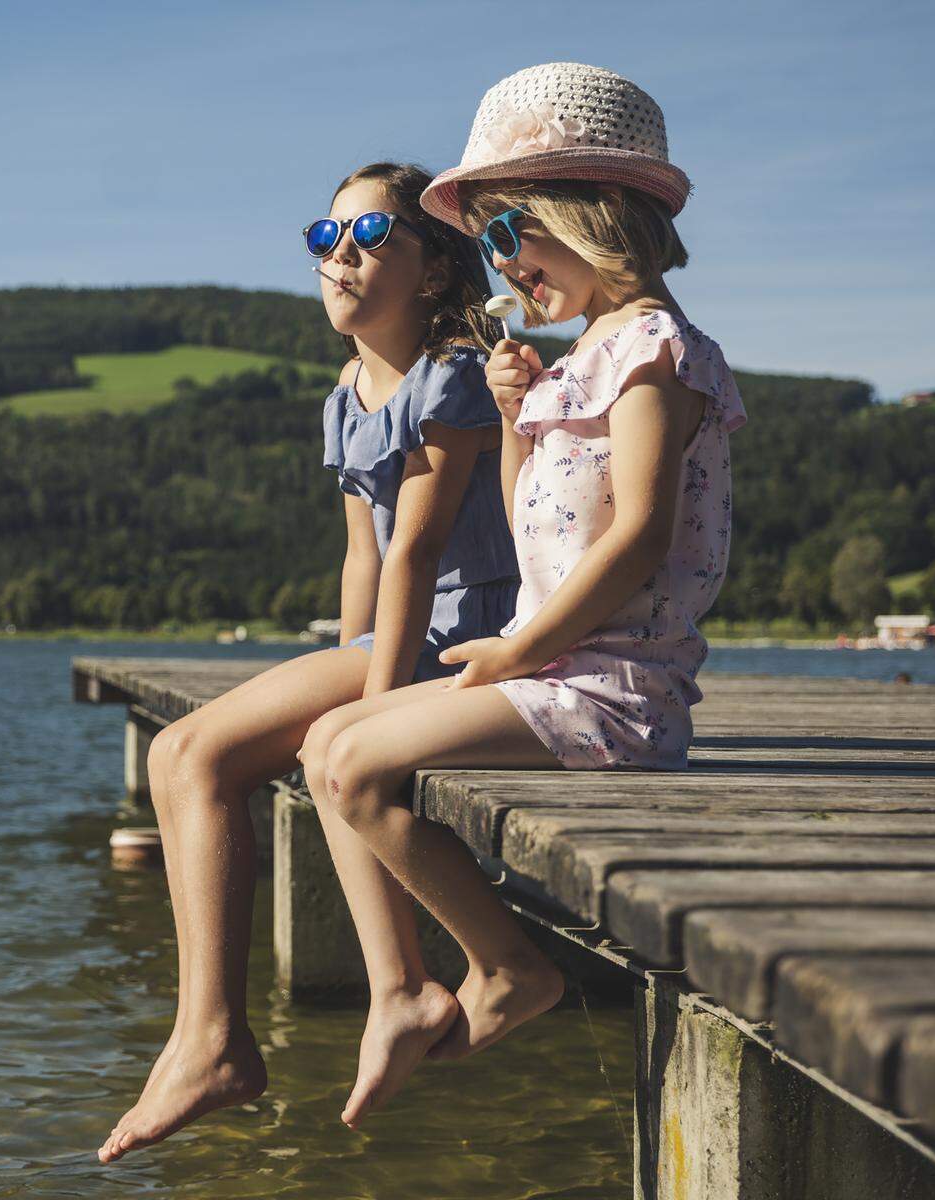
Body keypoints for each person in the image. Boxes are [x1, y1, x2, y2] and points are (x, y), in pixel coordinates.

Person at [297, 62, 748, 1131]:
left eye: (511, 236)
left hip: (617, 687)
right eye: (489, 241)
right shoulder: (585, 355)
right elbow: (541, 522)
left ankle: (504, 967)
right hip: (560, 666)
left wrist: (514, 646)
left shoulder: (654, 350)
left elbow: (634, 536)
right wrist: (514, 419)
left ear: (588, 219)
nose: (498, 266)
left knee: (354, 755)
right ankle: (435, 981)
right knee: (333, 741)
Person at [97, 161, 515, 1164]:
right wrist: (347, 666)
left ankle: (223, 1041)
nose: (341, 258)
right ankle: (372, 995)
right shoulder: (345, 391)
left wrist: (370, 710)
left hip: (468, 632)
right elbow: (362, 556)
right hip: (394, 636)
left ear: (432, 267)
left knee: (196, 757)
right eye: (324, 240)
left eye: (371, 237)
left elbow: (418, 548)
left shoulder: (452, 375)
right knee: (179, 757)